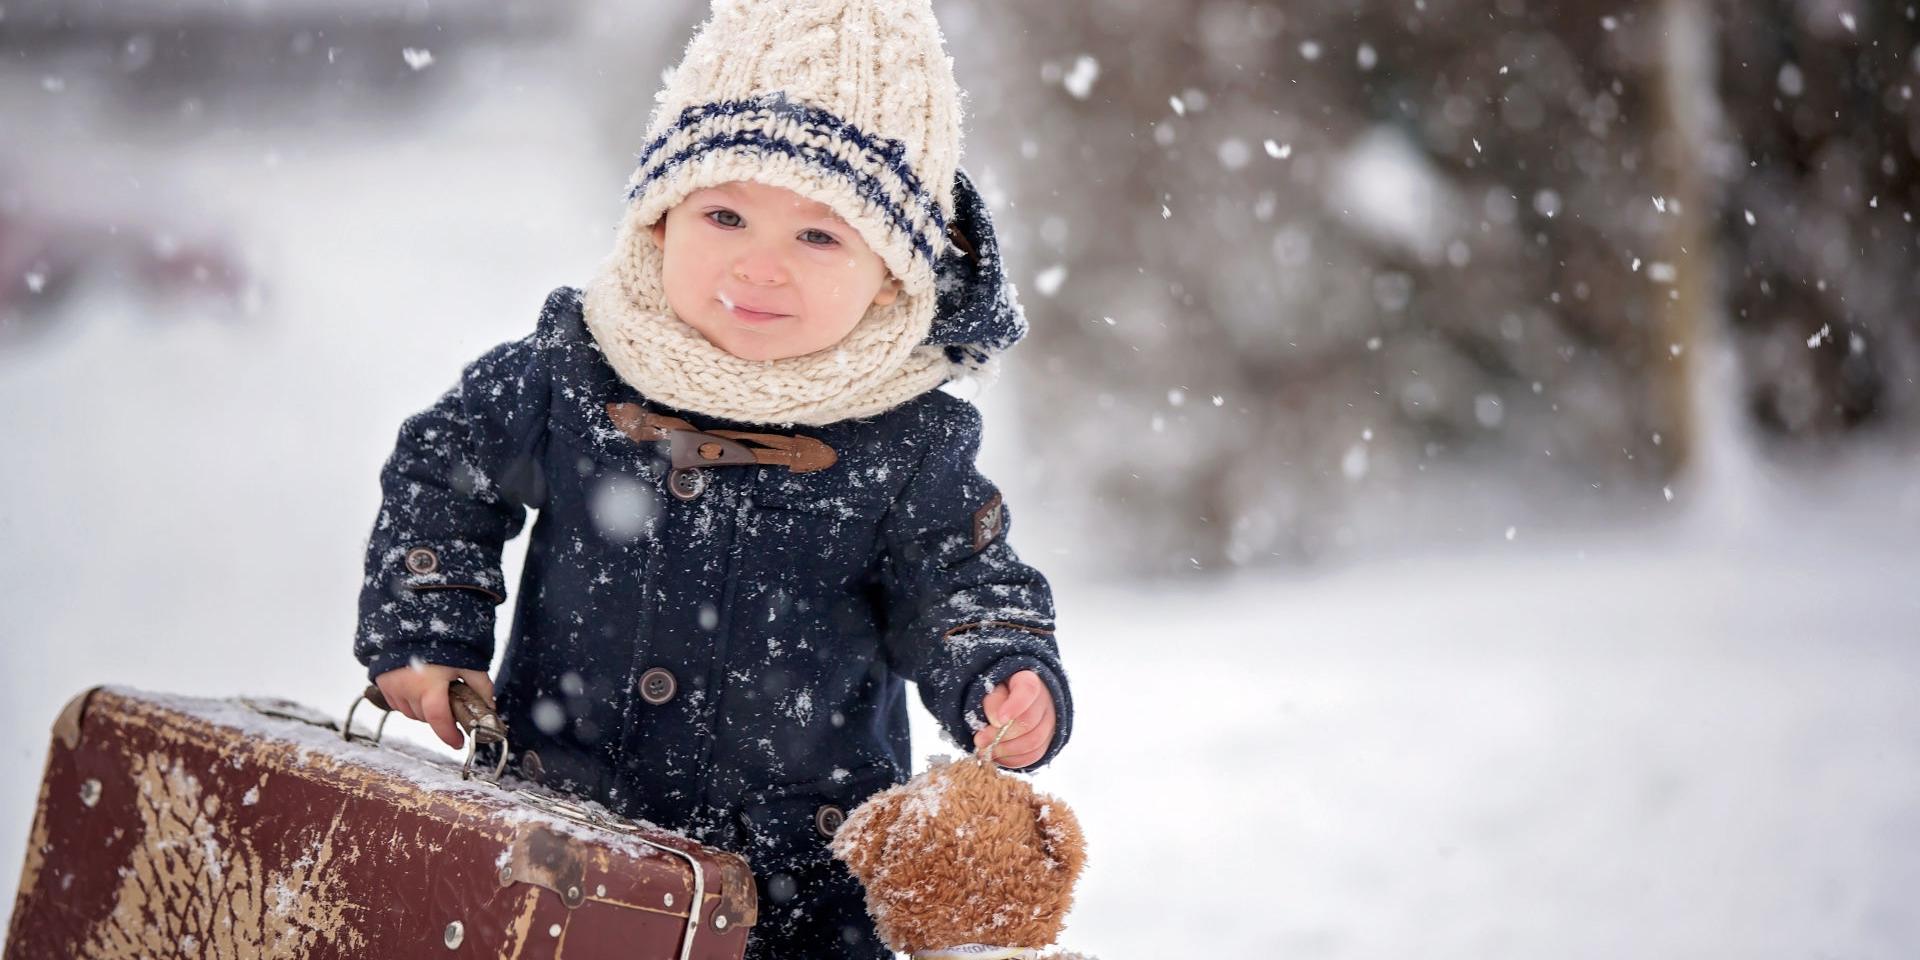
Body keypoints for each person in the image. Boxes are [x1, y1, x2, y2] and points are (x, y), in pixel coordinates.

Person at [350, 1, 1072, 954]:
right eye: (724, 214)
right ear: (659, 220)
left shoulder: (905, 442)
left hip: (795, 895)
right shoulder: (577, 370)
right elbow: (445, 467)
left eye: (819, 237)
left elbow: (961, 582)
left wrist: (1002, 667)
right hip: (559, 849)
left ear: (895, 276)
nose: (759, 265)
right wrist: (427, 625)